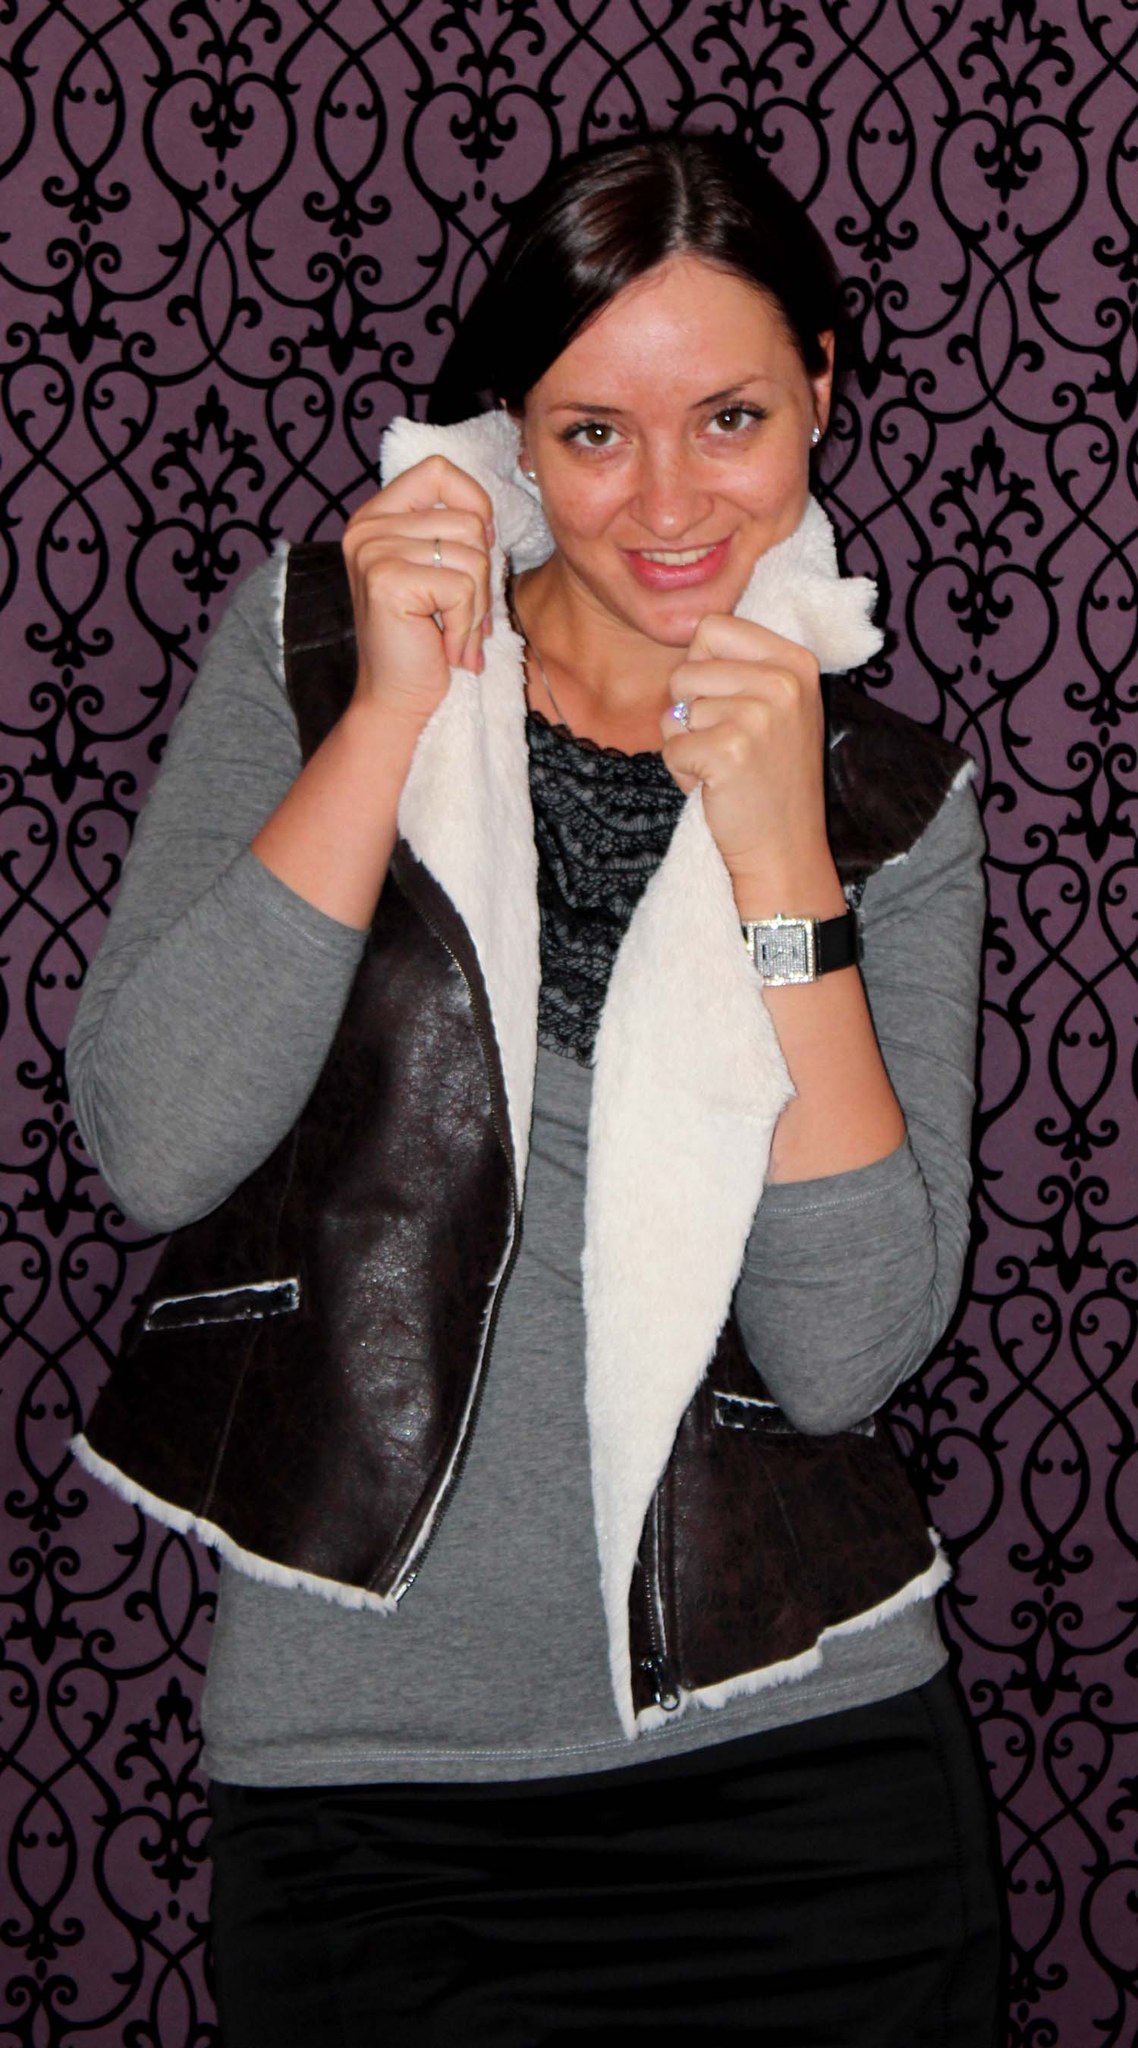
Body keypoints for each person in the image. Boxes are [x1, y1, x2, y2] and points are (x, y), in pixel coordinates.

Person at [67, 133, 1002, 2045]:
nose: (666, 504)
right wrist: (394, 711)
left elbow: (842, 1354)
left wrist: (783, 863)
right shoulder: (312, 645)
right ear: (512, 427)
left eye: (730, 418)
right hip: (370, 1800)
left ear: (821, 385)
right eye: (590, 434)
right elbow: (153, 1142)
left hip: (806, 1785)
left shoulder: (891, 800)